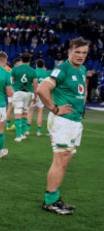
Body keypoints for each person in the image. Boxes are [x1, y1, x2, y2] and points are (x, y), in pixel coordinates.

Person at [37, 37, 89, 215]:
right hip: (63, 121)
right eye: (77, 52)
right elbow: (42, 89)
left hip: (74, 120)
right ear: (70, 52)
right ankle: (49, 202)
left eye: (84, 52)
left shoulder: (82, 69)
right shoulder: (63, 69)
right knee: (60, 160)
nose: (81, 56)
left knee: (65, 160)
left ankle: (55, 199)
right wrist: (54, 108)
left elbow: (82, 90)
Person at [10, 53, 38, 141]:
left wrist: (11, 91)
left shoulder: (15, 69)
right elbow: (35, 85)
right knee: (25, 114)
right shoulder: (33, 71)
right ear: (29, 61)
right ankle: (22, 134)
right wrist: (35, 96)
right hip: (28, 93)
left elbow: (11, 81)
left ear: (21, 60)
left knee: (18, 114)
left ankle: (18, 136)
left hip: (18, 92)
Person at [28, 59, 50, 136]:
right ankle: (38, 131)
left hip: (33, 92)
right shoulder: (47, 73)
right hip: (42, 93)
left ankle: (27, 130)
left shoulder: (33, 72)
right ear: (43, 65)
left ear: (36, 65)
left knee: (30, 111)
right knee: (40, 112)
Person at [5, 57, 21, 131]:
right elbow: (12, 82)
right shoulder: (16, 71)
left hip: (10, 91)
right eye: (20, 62)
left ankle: (8, 126)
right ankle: (15, 124)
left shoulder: (10, 71)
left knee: (10, 107)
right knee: (18, 108)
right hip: (15, 90)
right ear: (17, 63)